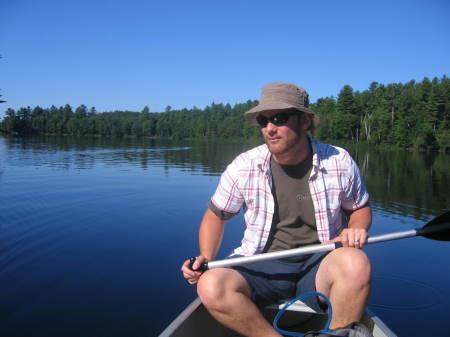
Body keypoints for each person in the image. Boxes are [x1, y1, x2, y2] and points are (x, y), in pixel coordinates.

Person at [181, 82, 372, 337]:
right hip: (261, 262)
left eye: (280, 118)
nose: (270, 128)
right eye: (263, 120)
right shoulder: (244, 165)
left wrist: (357, 227)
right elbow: (216, 215)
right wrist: (205, 256)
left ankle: (337, 334)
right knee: (211, 285)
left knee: (356, 263)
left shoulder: (339, 161)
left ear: (304, 121)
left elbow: (360, 208)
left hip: (320, 261)